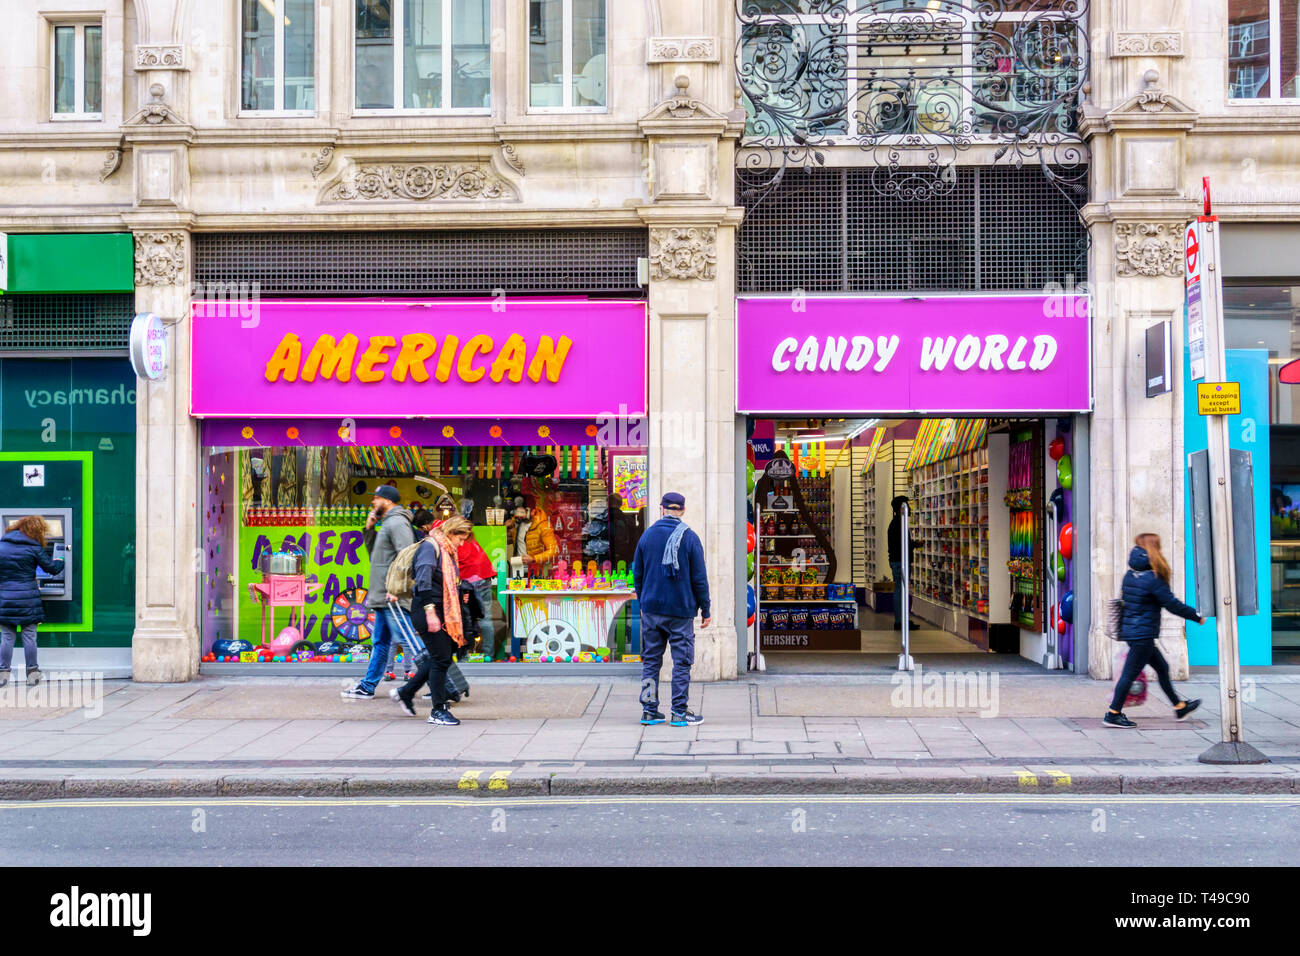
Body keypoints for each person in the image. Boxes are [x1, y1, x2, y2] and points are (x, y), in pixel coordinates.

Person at [1105, 533, 1204, 729]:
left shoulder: (1130, 575)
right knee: (1129, 674)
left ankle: (1179, 707)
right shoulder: (1153, 578)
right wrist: (1197, 616)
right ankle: (1113, 713)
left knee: (1162, 668)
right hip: (1142, 635)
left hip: (1133, 632)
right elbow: (1172, 604)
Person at [632, 492, 709, 727]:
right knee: (682, 663)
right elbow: (699, 578)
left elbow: (638, 574)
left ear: (661, 509)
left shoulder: (646, 536)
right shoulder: (690, 537)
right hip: (680, 611)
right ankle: (678, 712)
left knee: (651, 661)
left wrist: (644, 602)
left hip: (652, 610)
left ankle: (649, 711)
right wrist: (705, 609)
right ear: (683, 510)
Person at [390, 515, 473, 725]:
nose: (461, 544)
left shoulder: (447, 550)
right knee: (440, 659)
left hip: (442, 610)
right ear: (451, 533)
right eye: (460, 538)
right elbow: (423, 581)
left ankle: (406, 692)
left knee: (441, 656)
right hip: (428, 610)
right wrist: (430, 612)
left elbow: (444, 581)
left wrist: (460, 593)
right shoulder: (430, 547)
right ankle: (438, 710)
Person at [341, 485, 416, 699]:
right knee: (382, 642)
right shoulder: (387, 523)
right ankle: (367, 686)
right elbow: (376, 556)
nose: (373, 502)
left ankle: (446, 686)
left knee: (411, 642)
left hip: (392, 595)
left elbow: (407, 557)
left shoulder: (397, 522)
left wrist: (397, 589)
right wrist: (369, 529)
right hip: (385, 595)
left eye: (376, 498)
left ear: (387, 500)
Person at [0, 516, 65, 687]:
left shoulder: (1, 546)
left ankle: (2, 675)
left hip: (5, 599)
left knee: (6, 638)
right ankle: (32, 675)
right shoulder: (34, 547)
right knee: (29, 637)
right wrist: (61, 560)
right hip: (28, 600)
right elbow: (51, 568)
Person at [385, 507, 436, 680]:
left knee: (396, 636)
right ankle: (408, 670)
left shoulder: (406, 536)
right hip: (405, 592)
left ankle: (389, 670)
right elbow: (408, 569)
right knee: (408, 634)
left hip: (397, 590)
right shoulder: (418, 541)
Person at [886, 495, 917, 631]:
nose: (909, 508)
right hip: (900, 562)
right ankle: (900, 621)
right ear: (901, 508)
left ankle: (902, 620)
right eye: (907, 505)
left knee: (900, 591)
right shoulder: (899, 524)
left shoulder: (896, 523)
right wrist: (915, 544)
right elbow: (902, 544)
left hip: (898, 561)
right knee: (900, 591)